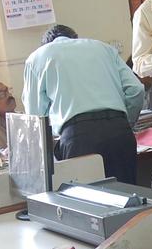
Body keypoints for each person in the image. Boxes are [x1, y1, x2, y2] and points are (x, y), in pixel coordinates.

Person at [22, 24, 145, 184]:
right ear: (76, 38)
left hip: (79, 137)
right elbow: (136, 90)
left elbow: (35, 116)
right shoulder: (103, 48)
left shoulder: (37, 57)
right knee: (128, 198)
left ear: (46, 44)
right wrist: (126, 122)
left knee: (87, 202)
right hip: (119, 132)